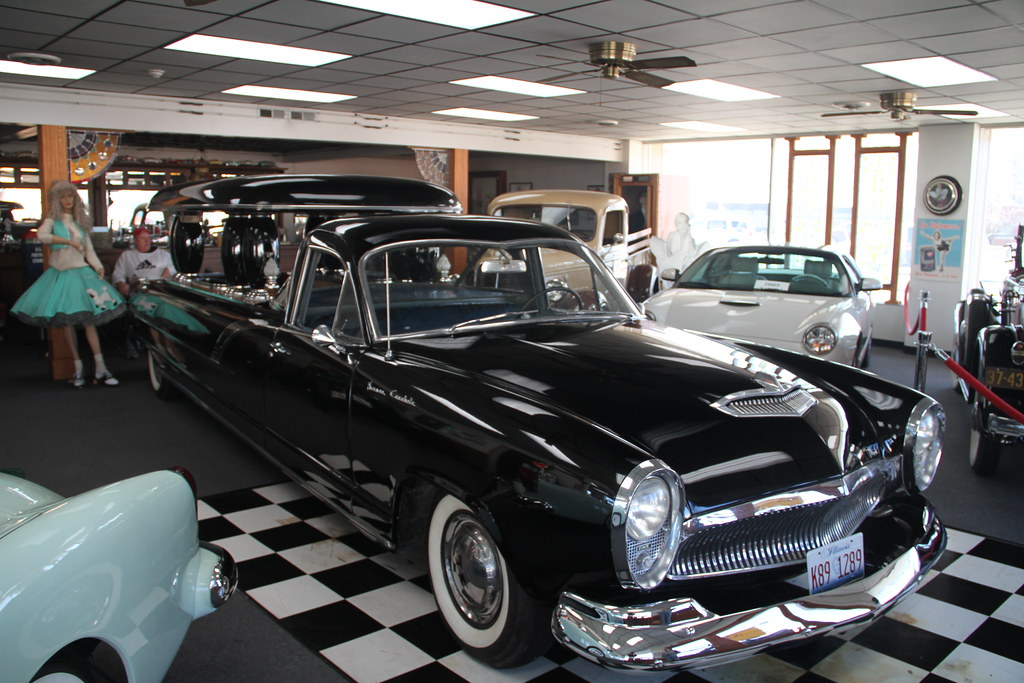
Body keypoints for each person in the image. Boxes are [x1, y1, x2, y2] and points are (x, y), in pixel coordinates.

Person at [11, 180, 126, 387]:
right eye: (63, 196)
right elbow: (41, 236)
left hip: (81, 274)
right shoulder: (52, 221)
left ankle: (101, 367)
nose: (67, 200)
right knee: (67, 322)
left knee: (89, 320)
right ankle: (78, 368)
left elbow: (89, 250)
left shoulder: (80, 224)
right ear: (57, 199)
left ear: (75, 199)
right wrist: (67, 241)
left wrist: (98, 266)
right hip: (61, 275)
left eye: (70, 196)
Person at [112, 226, 175, 297]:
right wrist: (121, 284)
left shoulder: (164, 254)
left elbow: (177, 268)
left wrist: (170, 270)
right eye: (142, 238)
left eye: (148, 238)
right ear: (135, 240)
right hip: (138, 292)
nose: (147, 241)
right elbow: (118, 274)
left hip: (162, 291)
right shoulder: (127, 255)